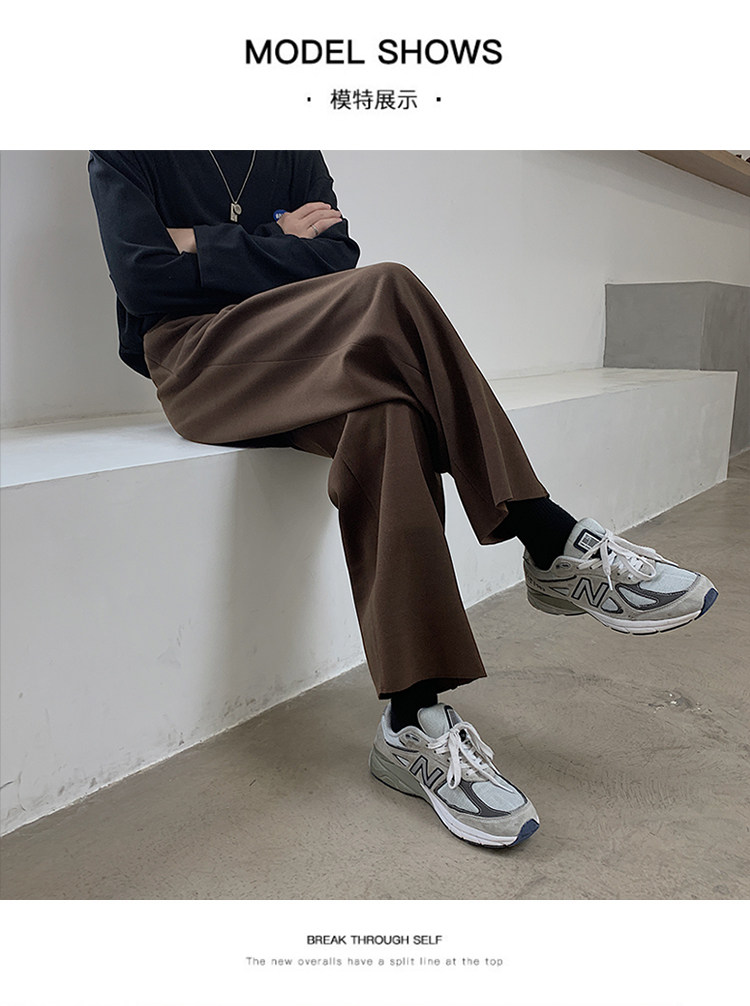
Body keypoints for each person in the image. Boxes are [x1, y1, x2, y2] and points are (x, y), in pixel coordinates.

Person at [88, 150, 718, 849]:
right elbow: (142, 276)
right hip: (200, 359)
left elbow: (335, 258)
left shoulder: (291, 150)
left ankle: (411, 721)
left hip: (309, 344)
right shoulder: (129, 143)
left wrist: (196, 243)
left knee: (388, 416)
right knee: (389, 287)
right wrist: (274, 240)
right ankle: (545, 535)